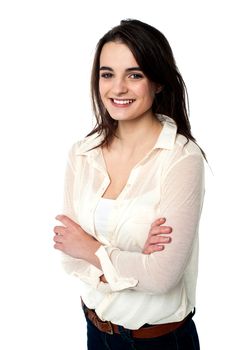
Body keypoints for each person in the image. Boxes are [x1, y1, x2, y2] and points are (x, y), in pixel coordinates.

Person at [53, 19, 205, 350]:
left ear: (159, 82)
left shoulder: (181, 158)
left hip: (159, 341)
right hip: (96, 331)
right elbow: (67, 254)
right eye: (107, 74)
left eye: (134, 75)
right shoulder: (82, 154)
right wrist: (134, 259)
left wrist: (91, 248)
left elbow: (162, 277)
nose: (117, 88)